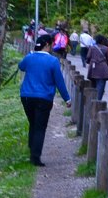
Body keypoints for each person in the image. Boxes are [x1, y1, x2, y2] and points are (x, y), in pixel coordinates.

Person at [17, 33, 71, 167]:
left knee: (33, 123)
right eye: (51, 44)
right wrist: (67, 98)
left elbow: (21, 66)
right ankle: (35, 157)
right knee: (40, 127)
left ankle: (32, 150)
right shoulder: (53, 61)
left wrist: (31, 54)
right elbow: (59, 82)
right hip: (44, 97)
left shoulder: (29, 57)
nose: (52, 47)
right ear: (47, 45)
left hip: (27, 96)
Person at [86, 34, 108, 101]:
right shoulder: (106, 49)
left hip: (93, 69)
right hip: (103, 70)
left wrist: (91, 62)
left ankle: (91, 101)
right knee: (100, 86)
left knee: (93, 86)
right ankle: (98, 101)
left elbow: (88, 58)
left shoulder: (92, 48)